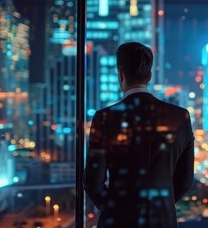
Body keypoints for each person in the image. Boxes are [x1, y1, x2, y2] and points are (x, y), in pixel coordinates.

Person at [83, 42, 194, 228]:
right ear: (149, 76)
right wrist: (159, 206)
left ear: (121, 75)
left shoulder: (104, 118)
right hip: (163, 220)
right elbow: (185, 180)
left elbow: (93, 182)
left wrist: (115, 208)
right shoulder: (180, 117)